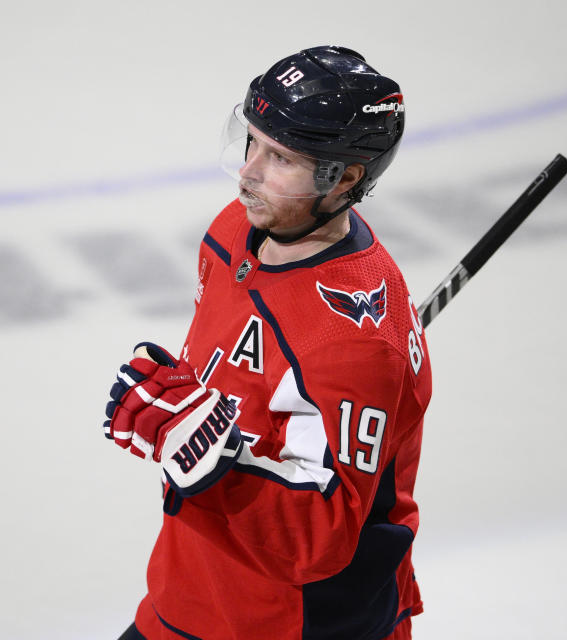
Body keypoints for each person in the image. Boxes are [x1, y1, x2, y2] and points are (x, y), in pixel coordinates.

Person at [104, 45, 432, 640]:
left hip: (298, 623)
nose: (249, 172)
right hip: (193, 595)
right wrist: (185, 413)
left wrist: (212, 462)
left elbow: (321, 539)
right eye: (251, 141)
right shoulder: (234, 232)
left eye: (280, 158)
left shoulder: (354, 343)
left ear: (345, 178)